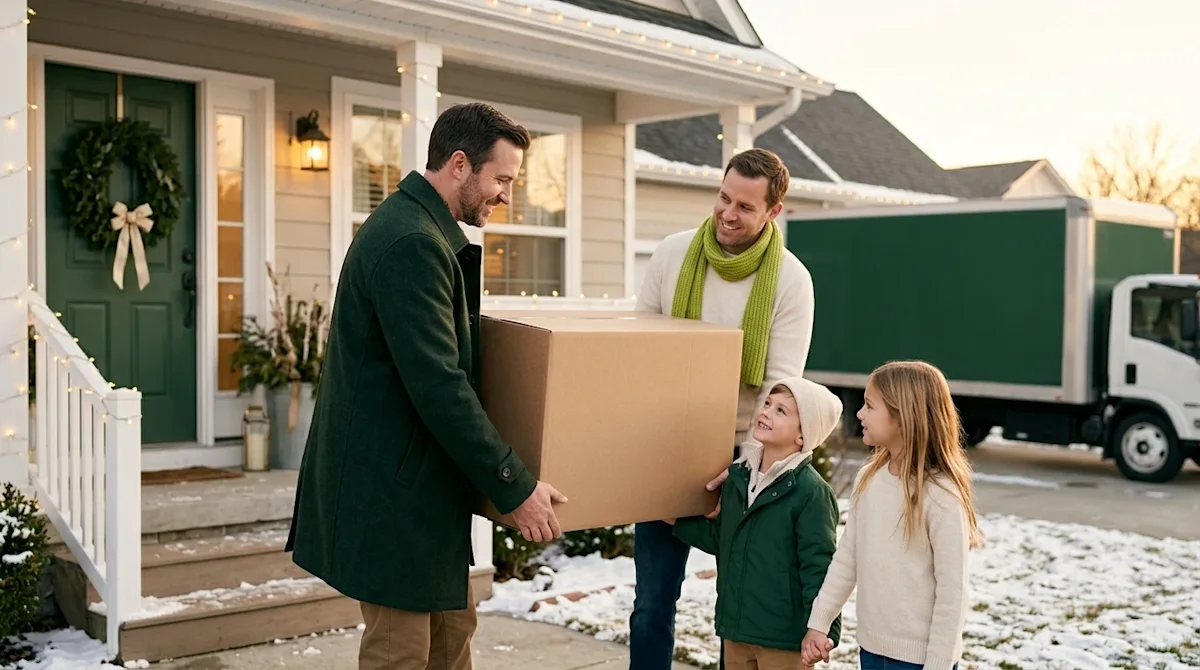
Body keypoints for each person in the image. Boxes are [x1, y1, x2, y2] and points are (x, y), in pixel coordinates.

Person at [285, 102, 568, 670]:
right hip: (392, 499)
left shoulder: (422, 231)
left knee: (452, 638)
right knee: (401, 655)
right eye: (503, 179)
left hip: (421, 495)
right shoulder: (411, 242)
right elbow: (439, 383)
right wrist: (511, 481)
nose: (507, 195)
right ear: (460, 165)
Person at [630, 148, 816, 669]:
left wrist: (743, 470)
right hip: (664, 443)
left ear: (773, 212)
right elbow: (638, 345)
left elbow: (779, 392)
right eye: (724, 198)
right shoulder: (672, 253)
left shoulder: (790, 281)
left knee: (737, 613)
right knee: (651, 602)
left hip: (740, 456)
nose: (728, 214)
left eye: (746, 207)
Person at [801, 360, 982, 670]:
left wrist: (938, 664)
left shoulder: (940, 494)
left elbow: (952, 591)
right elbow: (847, 559)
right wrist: (819, 622)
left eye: (869, 406)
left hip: (921, 661)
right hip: (870, 651)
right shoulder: (869, 478)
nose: (859, 414)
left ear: (903, 417)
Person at [671, 377, 843, 670]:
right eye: (767, 404)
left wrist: (822, 629)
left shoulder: (811, 494)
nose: (765, 413)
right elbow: (722, 539)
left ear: (803, 436)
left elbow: (820, 566)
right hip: (736, 631)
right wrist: (673, 518)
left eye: (781, 411)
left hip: (783, 641)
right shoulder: (738, 477)